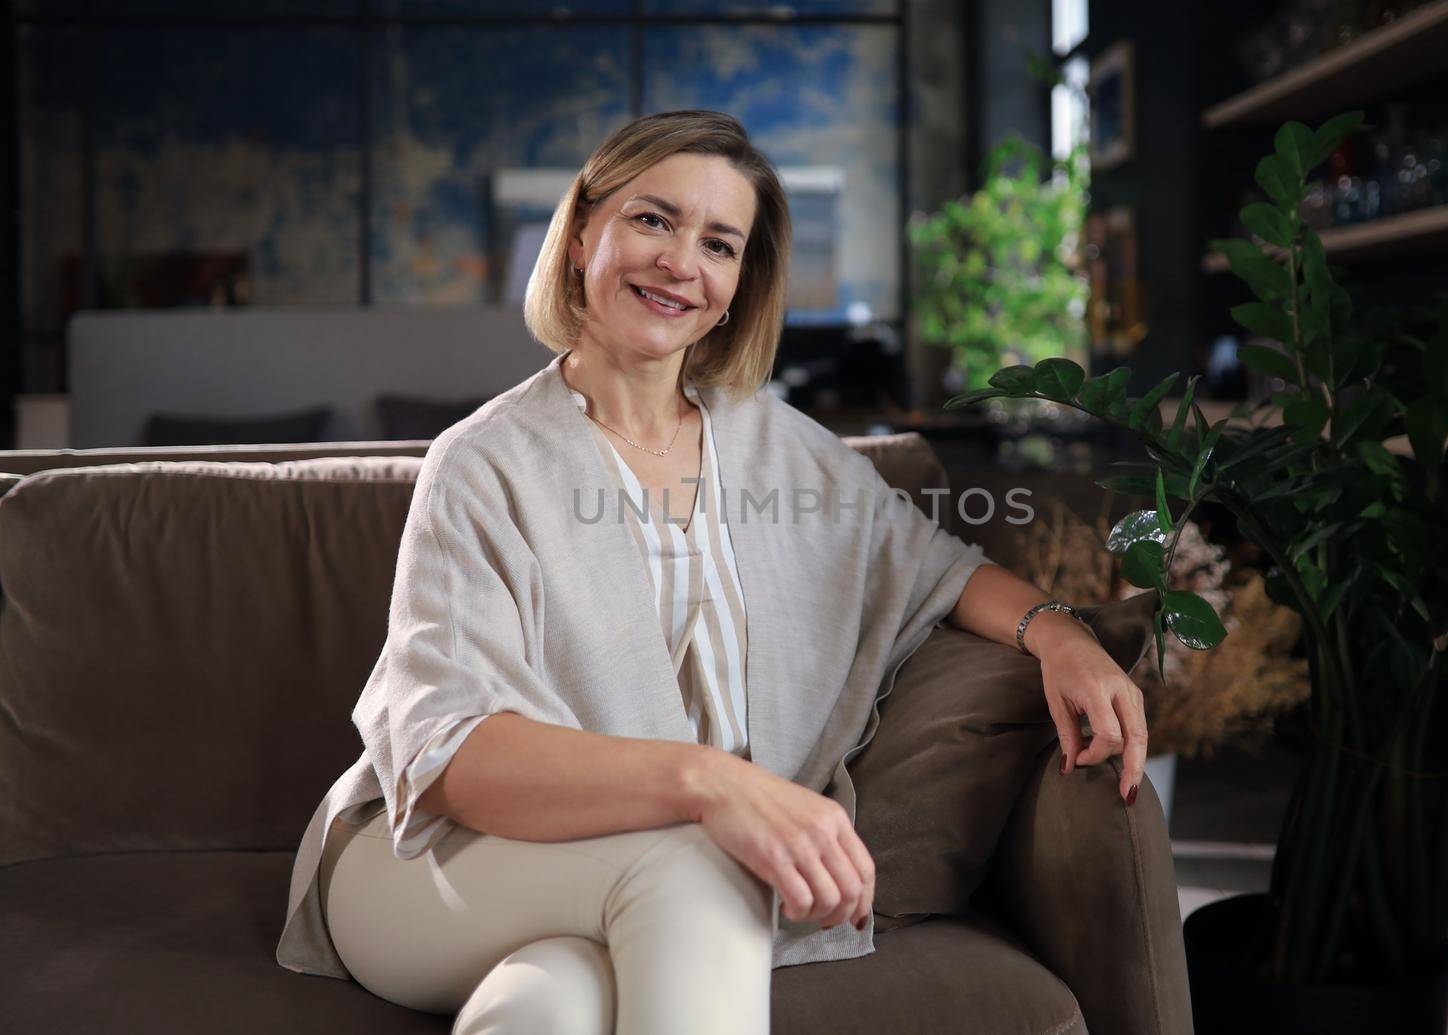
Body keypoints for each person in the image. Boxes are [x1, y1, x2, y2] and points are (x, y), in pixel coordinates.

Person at [276, 109, 1148, 1034]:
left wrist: (1062, 633)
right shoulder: (484, 464)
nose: (681, 262)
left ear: (737, 286)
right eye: (652, 220)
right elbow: (448, 757)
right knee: (707, 861)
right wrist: (708, 782)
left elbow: (934, 564)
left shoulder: (777, 448)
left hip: (606, 895)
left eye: (719, 243)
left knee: (551, 1006)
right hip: (429, 868)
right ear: (580, 238)